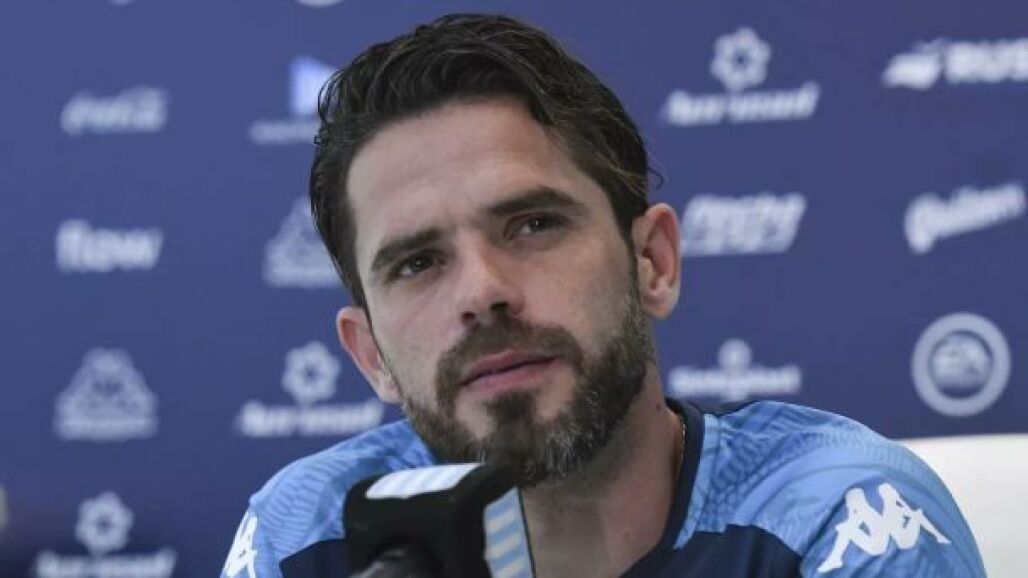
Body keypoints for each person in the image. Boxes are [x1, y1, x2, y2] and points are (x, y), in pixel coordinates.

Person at [220, 13, 985, 578]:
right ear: (370, 356)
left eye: (532, 224)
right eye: (418, 263)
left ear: (652, 262)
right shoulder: (307, 536)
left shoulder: (839, 520)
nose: (482, 292)